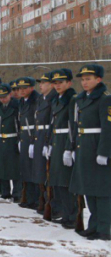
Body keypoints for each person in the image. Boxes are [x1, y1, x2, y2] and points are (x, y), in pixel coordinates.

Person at [66, 64, 111, 240]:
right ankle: (93, 226)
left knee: (103, 191)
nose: (84, 82)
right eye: (83, 79)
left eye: (88, 79)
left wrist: (104, 152)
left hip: (98, 147)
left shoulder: (105, 99)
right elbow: (77, 126)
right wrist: (73, 147)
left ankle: (105, 228)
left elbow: (108, 127)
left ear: (98, 79)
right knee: (89, 190)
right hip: (84, 147)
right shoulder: (81, 99)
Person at [49, 69, 78, 229]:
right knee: (58, 180)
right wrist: (49, 144)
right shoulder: (57, 100)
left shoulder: (72, 100)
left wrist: (69, 148)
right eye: (55, 82)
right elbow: (54, 125)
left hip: (66, 141)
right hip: (56, 141)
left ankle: (72, 216)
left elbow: (72, 126)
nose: (58, 85)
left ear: (69, 83)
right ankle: (64, 213)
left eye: (61, 82)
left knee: (66, 181)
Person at [0, 84, 22, 202]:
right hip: (0, 139)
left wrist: (19, 140)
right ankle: (4, 191)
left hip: (13, 139)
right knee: (2, 167)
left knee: (15, 168)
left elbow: (19, 124)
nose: (2, 99)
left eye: (4, 96)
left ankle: (17, 192)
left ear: (10, 95)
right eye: (0, 97)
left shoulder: (16, 107)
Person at [34, 72, 57, 215]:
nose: (40, 85)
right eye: (40, 83)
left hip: (48, 136)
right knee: (40, 170)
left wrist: (48, 142)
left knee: (49, 172)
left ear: (51, 84)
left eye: (44, 83)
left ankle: (52, 202)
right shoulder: (41, 99)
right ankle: (42, 199)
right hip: (39, 135)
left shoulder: (53, 99)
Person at [17, 77, 40, 210]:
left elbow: (36, 123)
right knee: (25, 169)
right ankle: (29, 198)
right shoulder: (22, 101)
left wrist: (32, 141)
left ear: (32, 88)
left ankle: (36, 200)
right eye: (20, 88)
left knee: (34, 170)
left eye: (25, 88)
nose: (22, 90)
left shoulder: (36, 100)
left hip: (33, 137)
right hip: (24, 137)